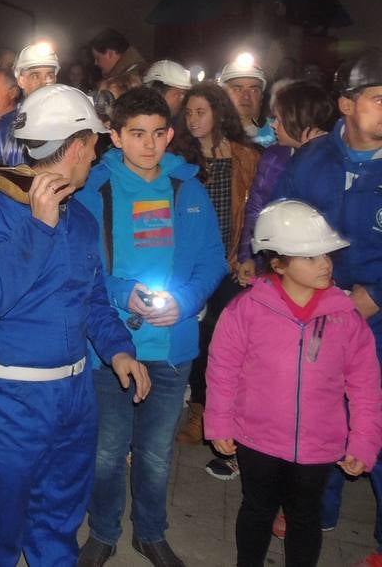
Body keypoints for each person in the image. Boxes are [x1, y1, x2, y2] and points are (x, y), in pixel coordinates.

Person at [0, 84, 150, 566]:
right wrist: (37, 227)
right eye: (95, 146)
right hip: (8, 402)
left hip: (72, 399)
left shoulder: (81, 217)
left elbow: (92, 299)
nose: (95, 156)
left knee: (58, 524)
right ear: (80, 146)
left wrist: (119, 348)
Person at [75, 87, 225, 567]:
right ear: (115, 136)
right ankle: (102, 532)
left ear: (170, 134)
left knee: (157, 454)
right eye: (136, 134)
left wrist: (185, 300)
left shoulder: (189, 188)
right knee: (107, 451)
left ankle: (151, 532)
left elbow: (213, 262)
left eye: (159, 133)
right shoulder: (93, 190)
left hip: (172, 345)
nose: (149, 144)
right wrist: (122, 293)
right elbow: (82, 267)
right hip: (111, 345)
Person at [207, 200, 382, 567]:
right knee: (256, 509)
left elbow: (366, 385)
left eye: (325, 255)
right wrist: (220, 422)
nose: (325, 265)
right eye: (310, 257)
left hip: (318, 446)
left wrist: (364, 440)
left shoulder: (345, 317)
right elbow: (222, 369)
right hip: (258, 439)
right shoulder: (247, 310)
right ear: (278, 263)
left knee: (305, 517)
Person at [273, 49, 382, 561]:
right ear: (346, 104)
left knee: (374, 414)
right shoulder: (310, 160)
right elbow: (281, 224)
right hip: (317, 306)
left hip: (376, 314)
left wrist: (375, 296)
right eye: (379, 98)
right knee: (318, 411)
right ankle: (318, 510)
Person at [170, 81, 261, 469]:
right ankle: (199, 410)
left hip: (232, 265)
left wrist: (246, 255)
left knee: (227, 346)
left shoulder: (246, 157)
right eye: (188, 112)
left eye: (200, 112)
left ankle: (222, 419)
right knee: (199, 339)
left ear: (219, 113)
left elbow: (257, 210)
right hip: (191, 264)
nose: (192, 120)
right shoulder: (179, 159)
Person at [233, 81, 335, 287]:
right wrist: (248, 254)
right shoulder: (274, 156)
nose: (273, 125)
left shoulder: (333, 162)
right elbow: (257, 207)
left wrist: (308, 157)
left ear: (298, 120)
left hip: (313, 271)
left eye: (278, 119)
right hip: (273, 264)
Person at [219, 53, 273, 146]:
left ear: (261, 97)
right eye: (237, 89)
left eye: (254, 90)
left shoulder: (280, 134)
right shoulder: (207, 134)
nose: (246, 96)